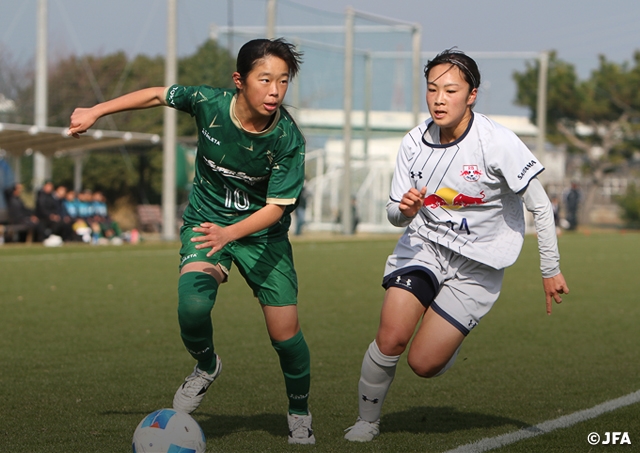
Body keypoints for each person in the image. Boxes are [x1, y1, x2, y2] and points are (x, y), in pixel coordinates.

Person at [67, 38, 314, 444]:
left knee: (285, 337)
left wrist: (230, 233)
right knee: (193, 306)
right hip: (206, 222)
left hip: (262, 237)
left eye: (283, 81)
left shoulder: (288, 138)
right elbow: (155, 94)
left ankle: (300, 412)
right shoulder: (208, 103)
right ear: (239, 80)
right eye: (265, 79)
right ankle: (206, 365)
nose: (275, 91)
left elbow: (276, 208)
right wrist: (96, 110)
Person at [343, 49, 570, 442]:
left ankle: (446, 343)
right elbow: (394, 213)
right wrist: (405, 210)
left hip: (479, 264)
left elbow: (540, 206)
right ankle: (367, 420)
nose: (439, 99)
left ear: (472, 95)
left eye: (450, 90)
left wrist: (550, 268)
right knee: (392, 336)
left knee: (423, 363)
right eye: (432, 89)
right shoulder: (413, 142)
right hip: (425, 246)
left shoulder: (497, 142)